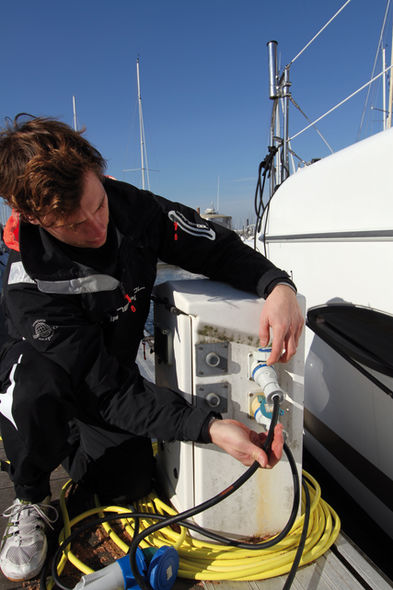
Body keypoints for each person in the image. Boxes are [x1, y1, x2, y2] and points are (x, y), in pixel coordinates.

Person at [0, 114, 303, 582]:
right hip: (48, 376)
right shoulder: (30, 285)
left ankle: (77, 449)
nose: (97, 228)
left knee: (129, 483)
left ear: (98, 174)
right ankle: (30, 494)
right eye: (73, 224)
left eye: (98, 205)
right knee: (37, 390)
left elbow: (214, 246)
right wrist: (207, 425)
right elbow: (105, 391)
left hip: (109, 374)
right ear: (37, 220)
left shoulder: (134, 208)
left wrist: (276, 285)